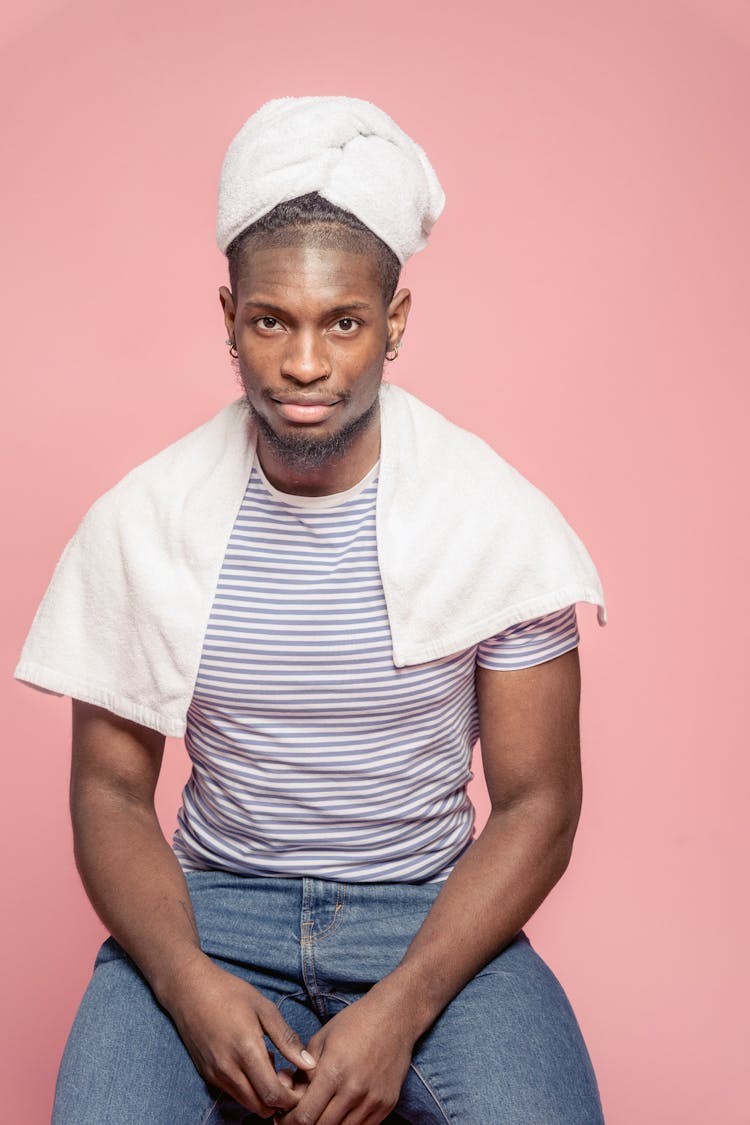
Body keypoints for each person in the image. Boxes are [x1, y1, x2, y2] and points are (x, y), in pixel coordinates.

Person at [16, 96, 608, 1124]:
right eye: (270, 321)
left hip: (430, 918)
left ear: (395, 324)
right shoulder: (143, 521)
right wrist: (184, 985)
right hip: (206, 914)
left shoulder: (499, 524)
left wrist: (405, 1004)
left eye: (343, 322)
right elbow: (111, 793)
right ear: (229, 320)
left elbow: (539, 802)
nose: (303, 365)